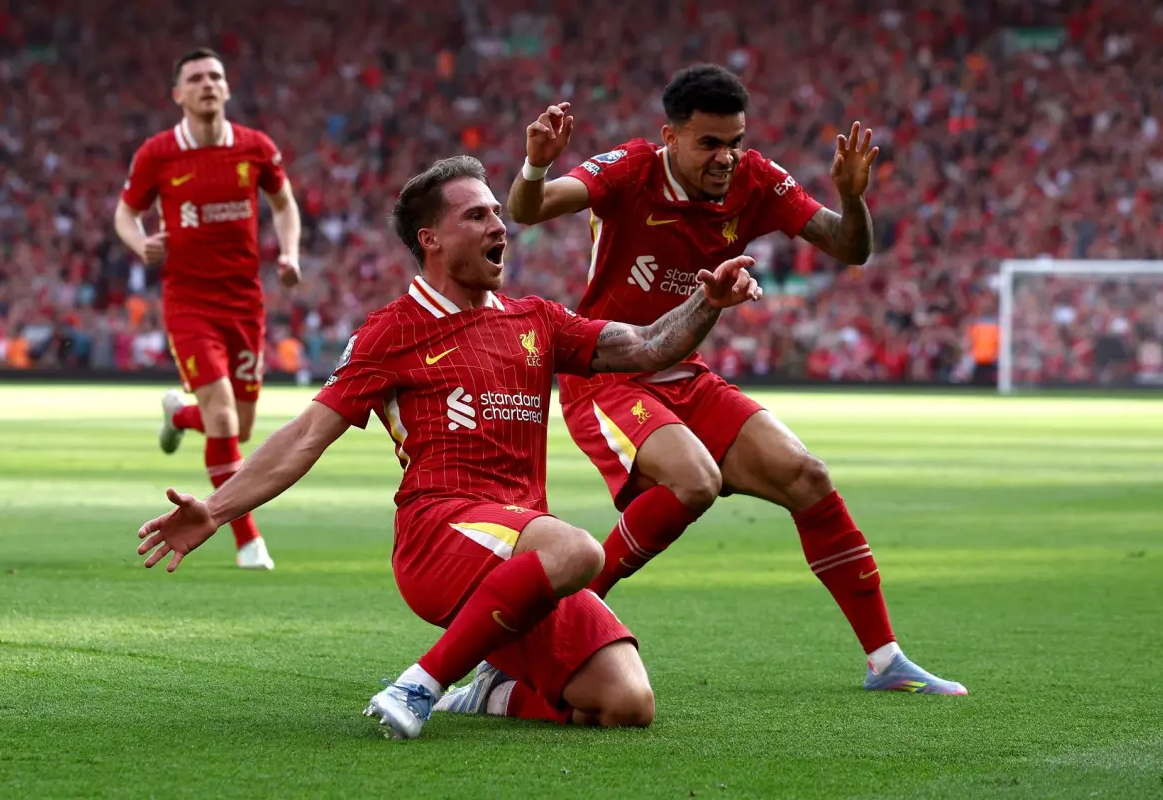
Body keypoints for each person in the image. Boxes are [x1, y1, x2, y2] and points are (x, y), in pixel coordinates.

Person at [134, 155, 763, 740]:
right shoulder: (390, 332)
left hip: (524, 549)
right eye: (478, 215)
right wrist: (216, 510)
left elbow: (651, 346)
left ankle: (486, 692)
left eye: (497, 212)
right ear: (430, 240)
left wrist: (706, 301)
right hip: (440, 535)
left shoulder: (536, 319)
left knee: (628, 705)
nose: (500, 225)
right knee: (579, 549)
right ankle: (420, 685)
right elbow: (304, 436)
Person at [482, 63, 967, 696]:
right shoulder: (630, 169)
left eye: (735, 141)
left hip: (686, 373)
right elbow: (531, 207)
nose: (727, 157)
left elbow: (851, 248)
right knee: (694, 481)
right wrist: (536, 165)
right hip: (609, 374)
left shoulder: (758, 181)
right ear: (671, 137)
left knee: (807, 477)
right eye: (710, 143)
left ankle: (886, 661)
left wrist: (852, 197)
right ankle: (537, 626)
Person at [115, 48, 304, 570]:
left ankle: (177, 413)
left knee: (238, 429)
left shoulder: (255, 148)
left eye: (215, 76)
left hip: (245, 302)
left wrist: (288, 252)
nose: (207, 84)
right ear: (178, 94)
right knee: (222, 415)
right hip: (189, 301)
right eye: (195, 78)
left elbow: (285, 204)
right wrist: (140, 245)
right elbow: (125, 214)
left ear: (227, 88)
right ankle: (248, 540)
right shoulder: (157, 154)